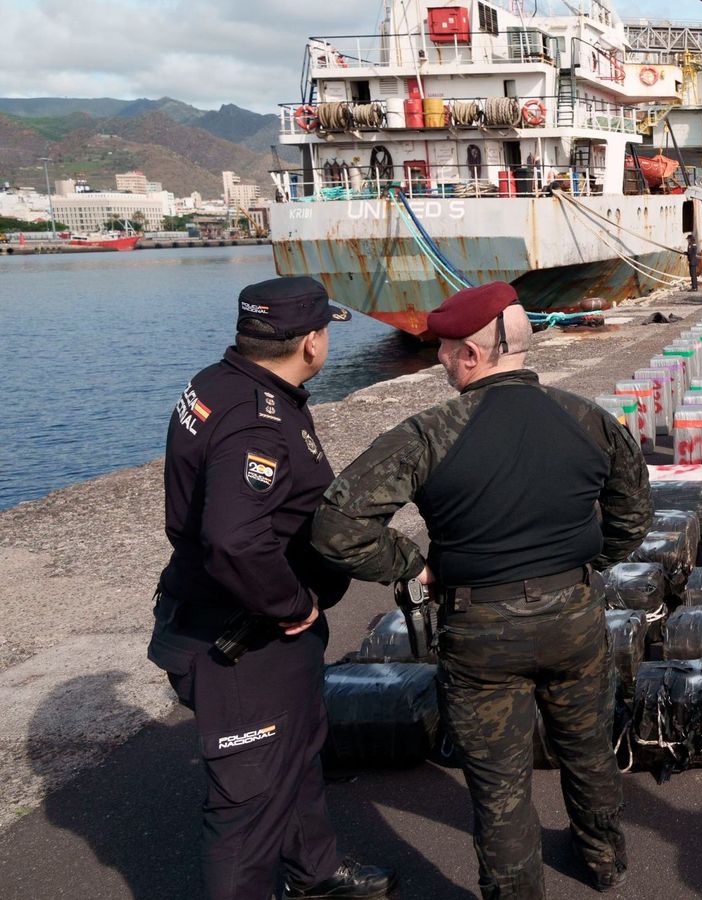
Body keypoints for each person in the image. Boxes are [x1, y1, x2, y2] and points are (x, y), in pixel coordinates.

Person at [311, 282, 649, 900]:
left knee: (499, 785)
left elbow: (337, 527)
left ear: (471, 354)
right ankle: (605, 860)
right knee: (588, 748)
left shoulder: (430, 433)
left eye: (444, 349)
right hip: (573, 617)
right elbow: (632, 518)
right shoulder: (589, 420)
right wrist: (581, 563)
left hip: (480, 629)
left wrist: (415, 566)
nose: (440, 358)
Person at [148, 276, 396, 900]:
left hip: (252, 632)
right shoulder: (254, 422)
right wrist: (292, 604)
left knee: (296, 751)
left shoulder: (220, 382)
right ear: (311, 342)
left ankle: (314, 871)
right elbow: (234, 539)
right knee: (247, 808)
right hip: (245, 639)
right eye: (326, 331)